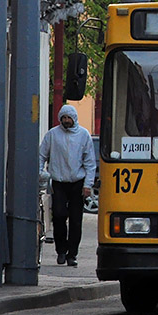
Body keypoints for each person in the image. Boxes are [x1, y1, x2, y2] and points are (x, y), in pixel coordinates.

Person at [38, 105, 96, 267]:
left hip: (77, 183)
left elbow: (90, 162)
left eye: (68, 118)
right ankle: (61, 251)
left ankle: (72, 254)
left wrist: (88, 185)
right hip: (59, 182)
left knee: (76, 220)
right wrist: (41, 174)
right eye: (63, 118)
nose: (66, 121)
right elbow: (41, 155)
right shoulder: (52, 135)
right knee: (58, 216)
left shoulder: (83, 135)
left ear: (74, 118)